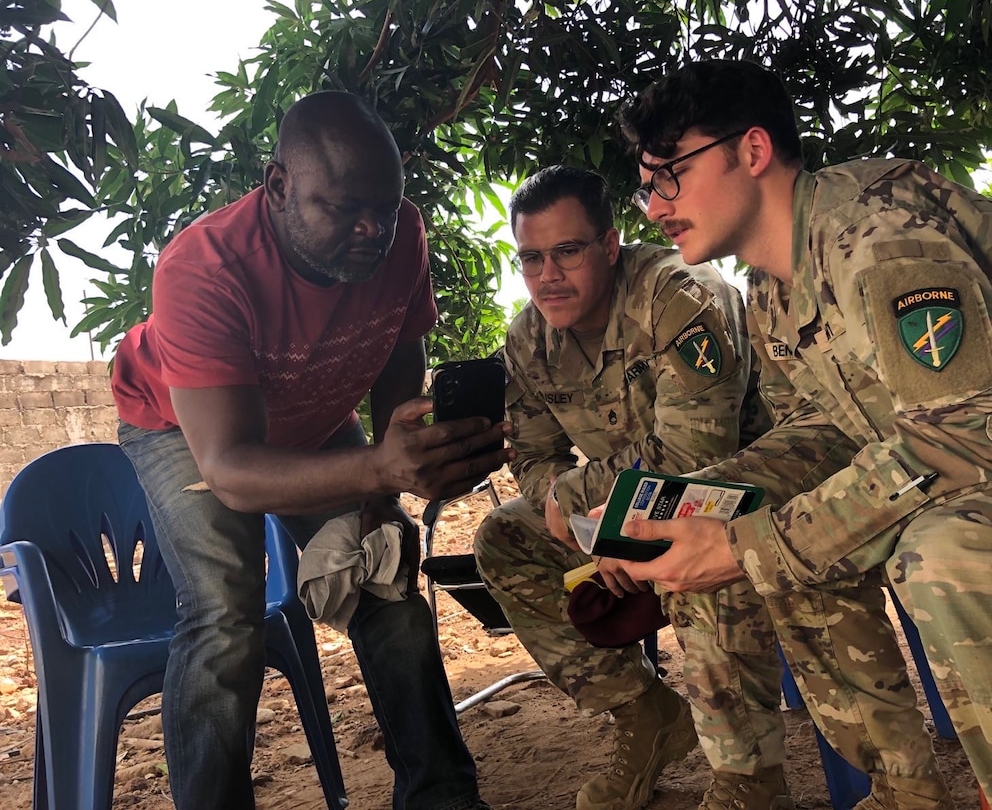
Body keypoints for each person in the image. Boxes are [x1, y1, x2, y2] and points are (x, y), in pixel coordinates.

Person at [618, 59, 992, 810]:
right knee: (757, 524)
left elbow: (981, 437)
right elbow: (828, 435)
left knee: (946, 552)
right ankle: (903, 792)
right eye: (647, 186)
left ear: (753, 151)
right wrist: (710, 504)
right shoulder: (773, 292)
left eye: (670, 173)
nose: (653, 208)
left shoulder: (877, 234)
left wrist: (753, 543)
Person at [110, 91, 511, 810]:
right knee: (223, 614)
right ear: (279, 186)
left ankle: (442, 797)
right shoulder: (204, 268)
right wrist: (376, 467)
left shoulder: (402, 234)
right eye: (345, 208)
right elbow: (230, 470)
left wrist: (395, 470)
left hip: (315, 410)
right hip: (188, 426)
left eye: (384, 210)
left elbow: (398, 349)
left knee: (387, 576)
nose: (372, 229)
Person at [474, 165, 796, 810]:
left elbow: (696, 451)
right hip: (622, 513)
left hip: (741, 497)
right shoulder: (528, 337)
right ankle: (645, 715)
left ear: (610, 244)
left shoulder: (680, 295)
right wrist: (593, 529)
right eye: (531, 258)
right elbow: (535, 460)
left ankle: (748, 780)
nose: (548, 275)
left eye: (567, 251)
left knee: (688, 553)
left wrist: (589, 509)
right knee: (505, 537)